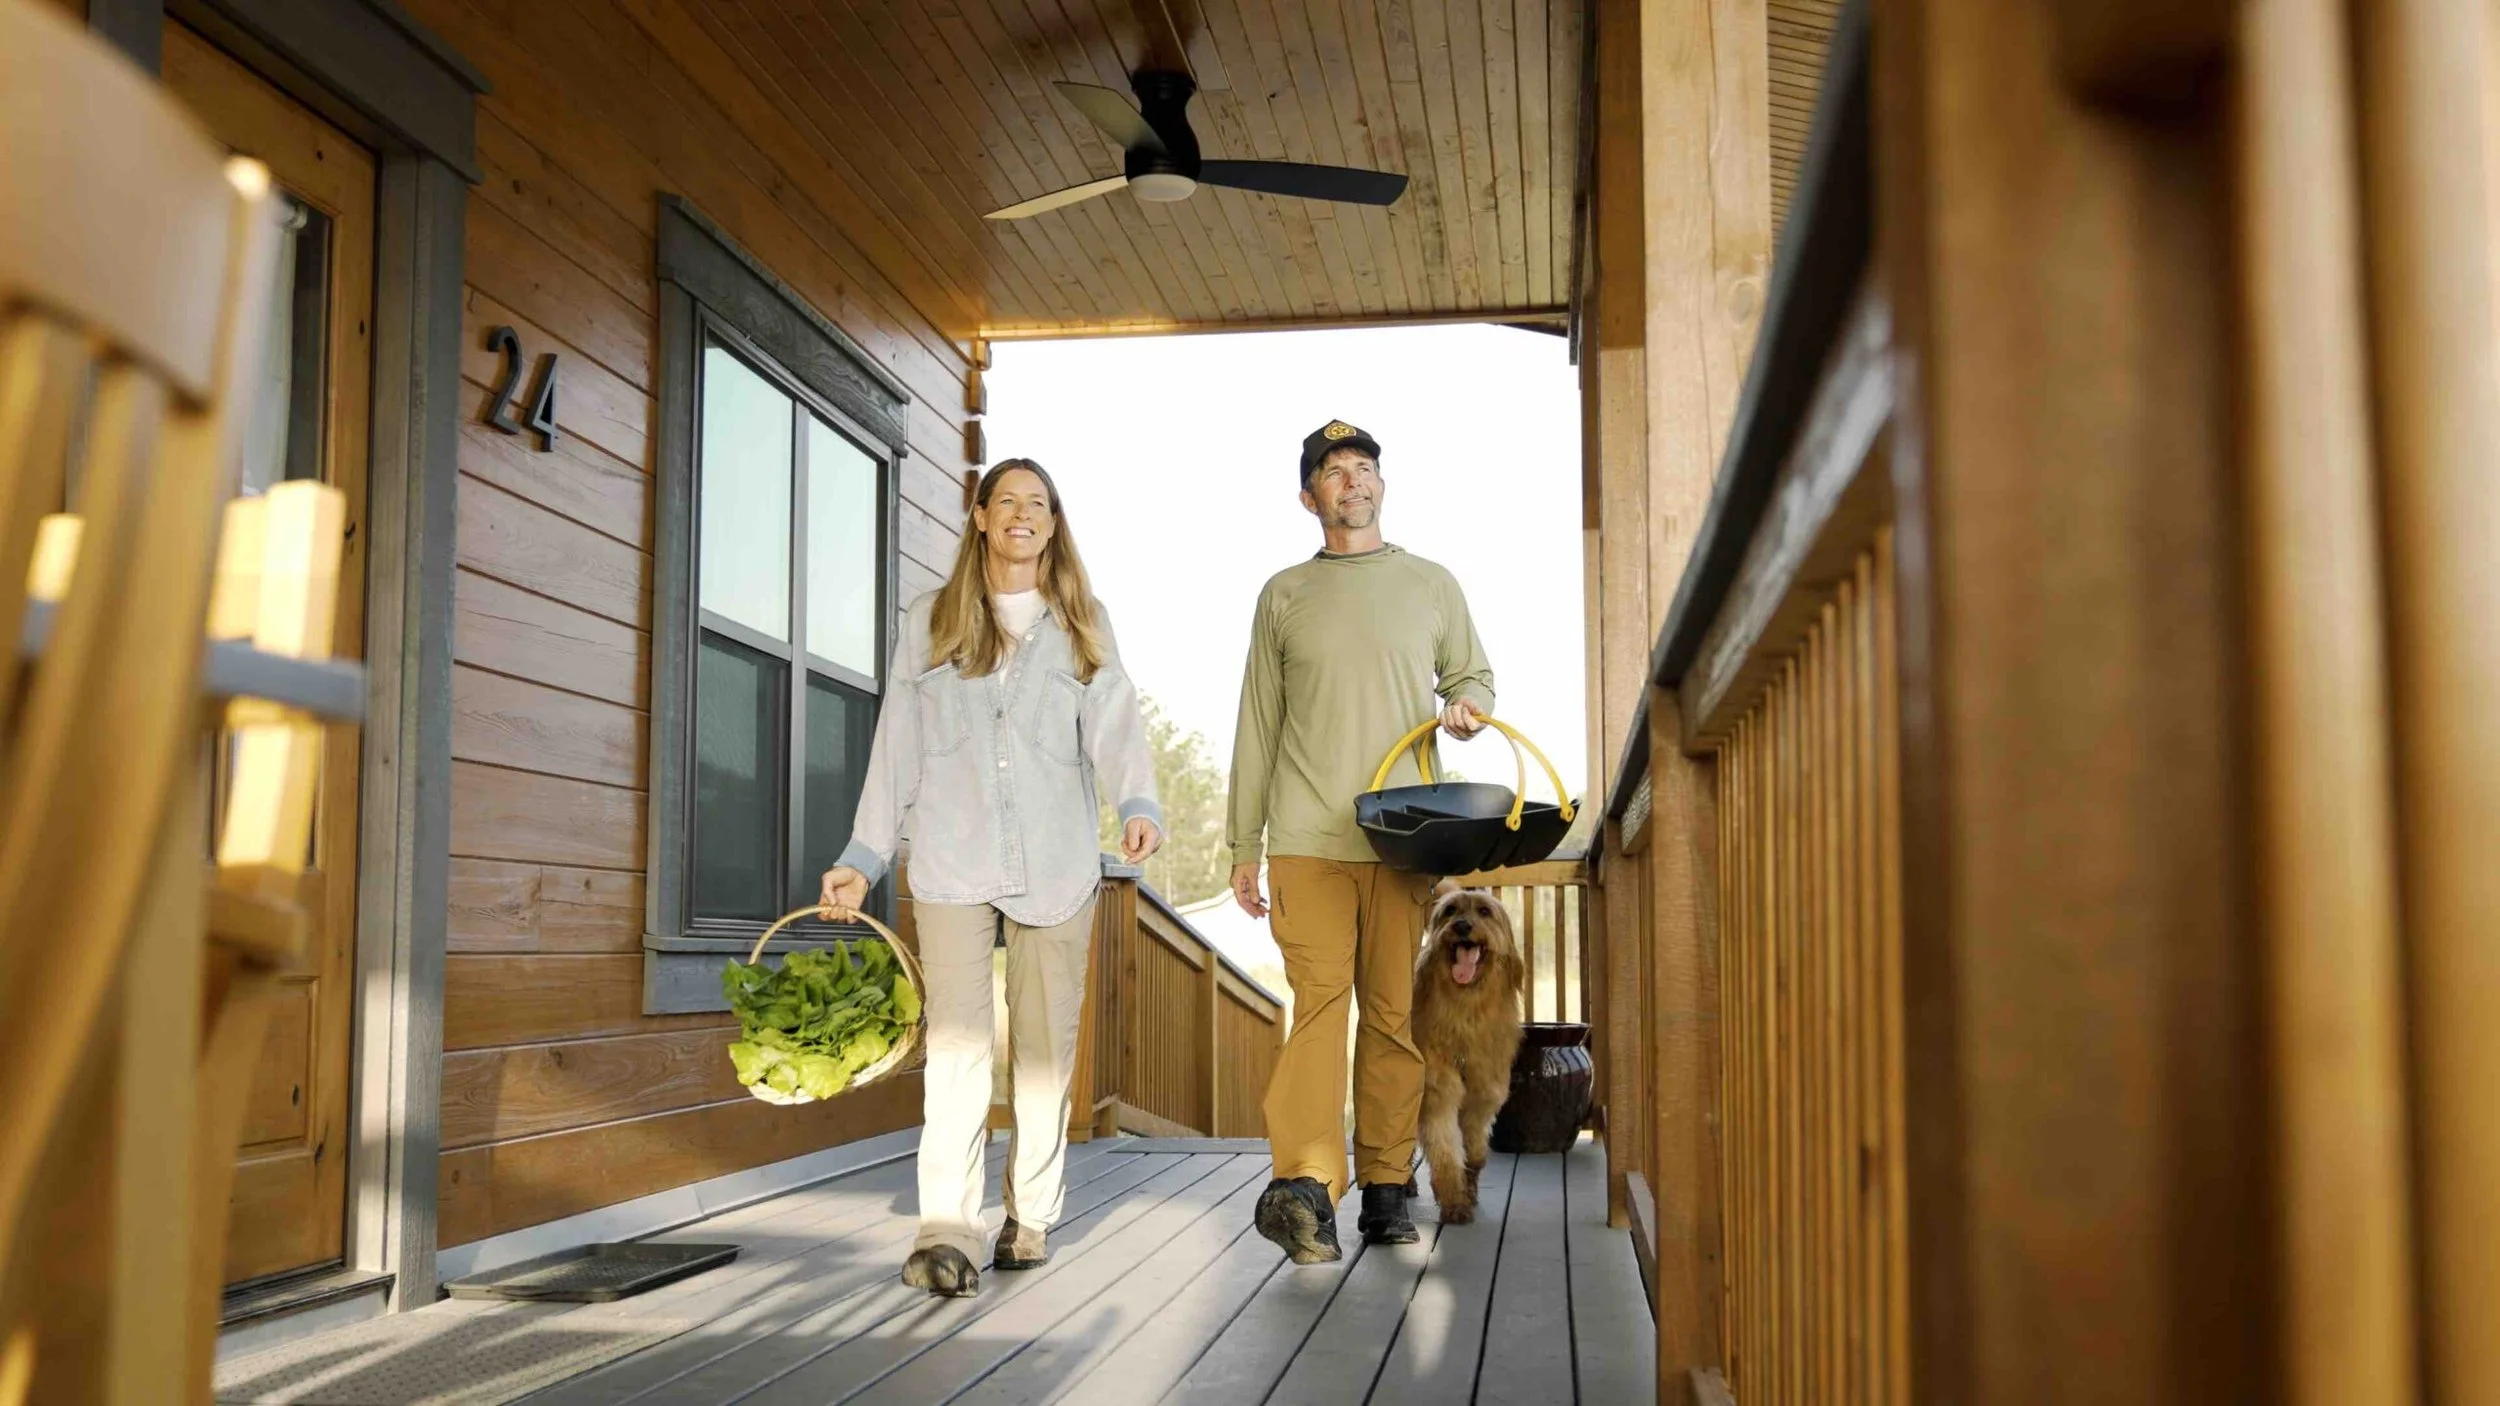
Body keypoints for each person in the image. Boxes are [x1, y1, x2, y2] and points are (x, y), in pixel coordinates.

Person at [819, 458, 1162, 1299]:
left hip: (1057, 859)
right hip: (950, 854)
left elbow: (1114, 720)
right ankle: (946, 1227)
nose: (1021, 514)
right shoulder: (929, 621)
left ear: (1052, 524)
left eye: (1037, 504)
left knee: (1044, 1053)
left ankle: (1031, 1214)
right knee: (959, 1051)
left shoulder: (1082, 620)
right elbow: (896, 743)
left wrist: (1139, 799)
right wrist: (862, 858)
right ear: (979, 518)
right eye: (1005, 500)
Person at [1227, 419, 1495, 1263]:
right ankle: (1306, 1184)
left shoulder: (1430, 583)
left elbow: (1473, 676)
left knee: (1390, 1016)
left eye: (1364, 467)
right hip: (1307, 836)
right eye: (1335, 472)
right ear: (1310, 497)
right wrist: (1242, 842)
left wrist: (1466, 707)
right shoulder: (1283, 594)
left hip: (1402, 838)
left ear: (1382, 485)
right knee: (1318, 1006)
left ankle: (1386, 1185)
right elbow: (1256, 724)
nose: (1353, 481)